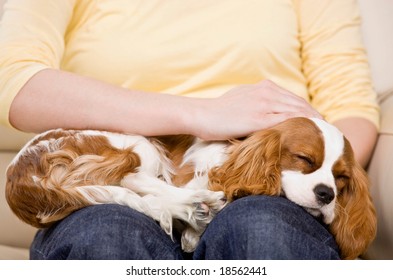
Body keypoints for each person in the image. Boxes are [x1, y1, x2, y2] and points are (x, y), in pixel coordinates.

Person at [0, 0, 379, 260]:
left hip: (266, 190)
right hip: (111, 185)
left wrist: (320, 167)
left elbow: (351, 106)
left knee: (261, 228)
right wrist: (202, 114)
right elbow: (13, 80)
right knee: (107, 234)